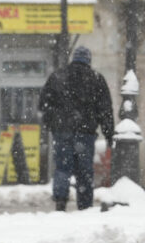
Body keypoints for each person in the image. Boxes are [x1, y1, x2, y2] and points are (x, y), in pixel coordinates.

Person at [39, 46, 115, 211]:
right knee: (84, 170)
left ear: (74, 58)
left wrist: (51, 125)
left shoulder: (58, 76)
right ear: (88, 60)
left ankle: (60, 200)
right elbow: (105, 110)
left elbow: (44, 104)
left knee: (62, 168)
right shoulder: (96, 79)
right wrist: (109, 134)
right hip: (85, 133)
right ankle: (85, 205)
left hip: (62, 132)